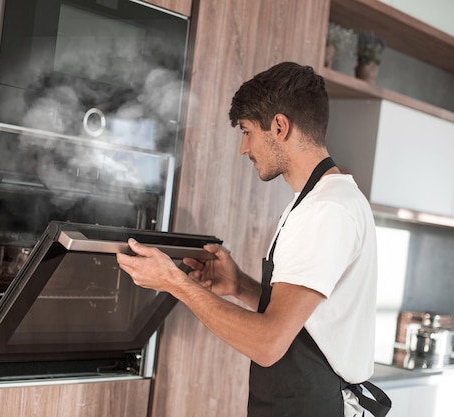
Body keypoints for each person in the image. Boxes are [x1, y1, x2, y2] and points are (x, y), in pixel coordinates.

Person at [116, 62, 391, 417]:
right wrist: (240, 285)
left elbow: (268, 343)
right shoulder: (318, 202)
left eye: (247, 132)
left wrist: (175, 283)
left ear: (279, 126)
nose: (244, 148)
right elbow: (308, 320)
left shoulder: (327, 210)